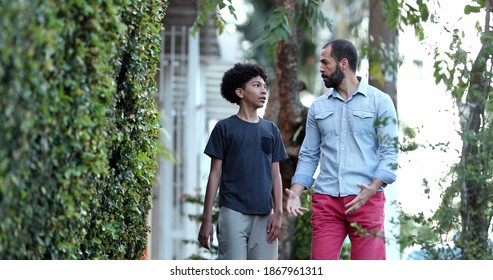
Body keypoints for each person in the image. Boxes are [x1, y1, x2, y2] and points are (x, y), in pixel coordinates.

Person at [286, 39, 399, 260]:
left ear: (343, 63)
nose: (320, 68)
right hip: (327, 201)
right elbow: (309, 155)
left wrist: (373, 187)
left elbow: (390, 154)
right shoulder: (319, 107)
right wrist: (296, 192)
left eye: (325, 63)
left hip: (367, 199)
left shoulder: (380, 102)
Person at [198, 62, 289, 260]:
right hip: (233, 212)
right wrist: (206, 219)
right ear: (240, 92)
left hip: (265, 215)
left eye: (264, 86)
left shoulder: (271, 130)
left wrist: (279, 212)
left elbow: (276, 174)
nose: (263, 90)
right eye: (257, 85)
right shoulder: (224, 129)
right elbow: (215, 175)